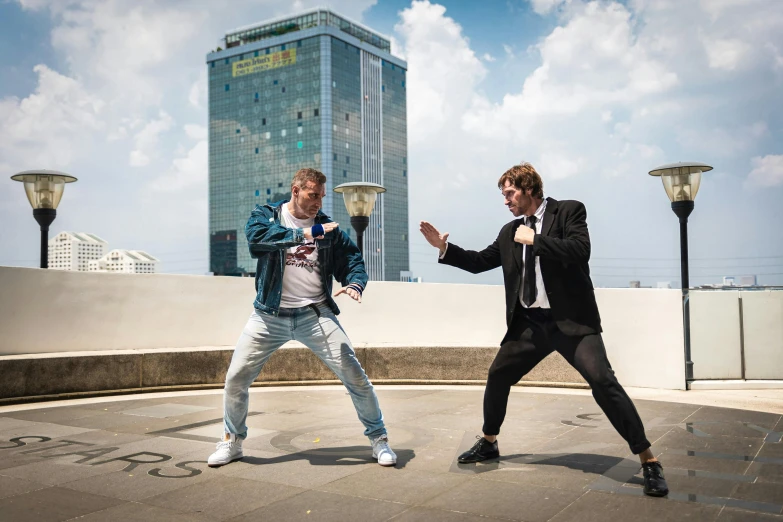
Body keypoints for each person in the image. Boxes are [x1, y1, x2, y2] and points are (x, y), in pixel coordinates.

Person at [419, 162, 668, 497]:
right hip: (531, 325)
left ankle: (649, 460)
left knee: (602, 381)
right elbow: (479, 262)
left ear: (528, 188)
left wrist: (537, 240)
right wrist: (443, 249)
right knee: (498, 375)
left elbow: (581, 251)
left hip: (571, 322)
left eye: (509, 193)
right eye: (503, 195)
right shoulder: (510, 231)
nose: (505, 200)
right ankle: (489, 442)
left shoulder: (568, 211)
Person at [208, 167, 396, 468]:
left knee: (354, 375)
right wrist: (303, 234)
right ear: (295, 191)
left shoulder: (328, 228)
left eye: (321, 197)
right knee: (236, 378)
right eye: (312, 195)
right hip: (268, 315)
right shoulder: (267, 215)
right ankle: (232, 442)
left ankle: (379, 440)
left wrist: (354, 283)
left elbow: (352, 261)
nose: (317, 203)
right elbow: (256, 240)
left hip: (315, 314)